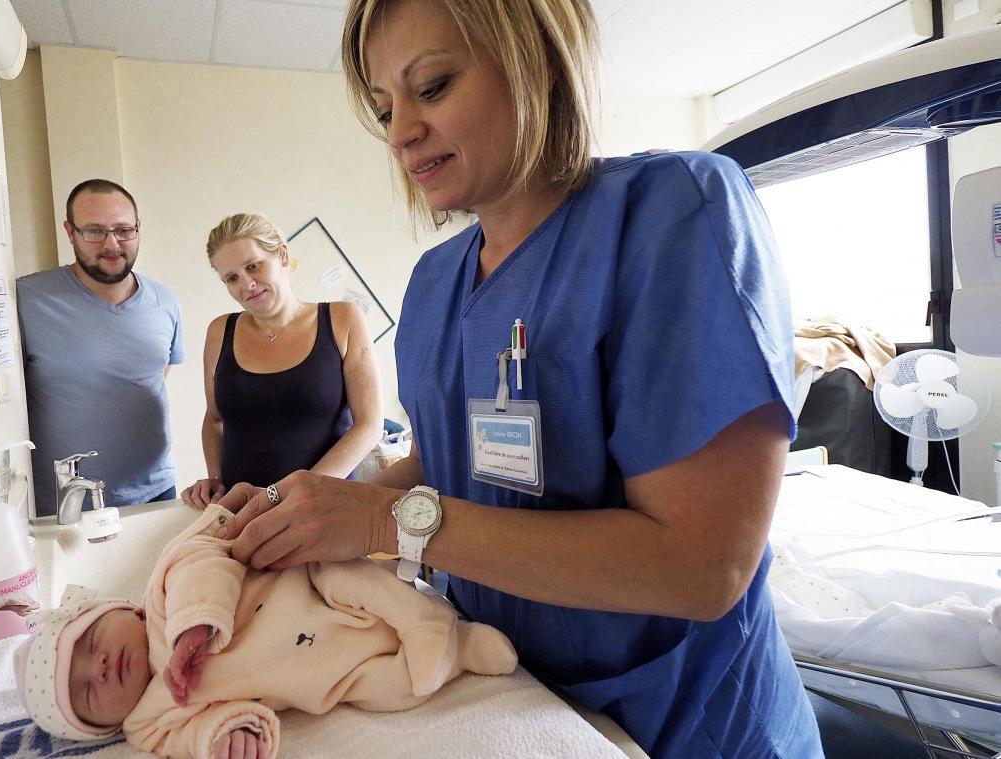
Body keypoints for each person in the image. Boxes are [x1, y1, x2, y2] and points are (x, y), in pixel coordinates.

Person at [211, 1, 824, 757]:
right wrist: (310, 509)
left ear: (533, 62)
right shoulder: (435, 283)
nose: (401, 131)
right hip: (511, 700)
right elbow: (449, 463)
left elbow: (704, 566)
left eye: (431, 87)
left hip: (683, 718)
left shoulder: (671, 215)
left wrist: (385, 525)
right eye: (383, 107)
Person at [12, 504, 517, 759]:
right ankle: (462, 652)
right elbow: (191, 737)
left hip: (316, 589)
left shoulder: (162, 595)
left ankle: (422, 619)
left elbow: (204, 555)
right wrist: (228, 735)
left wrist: (195, 623)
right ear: (99, 728)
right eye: (85, 692)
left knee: (346, 573)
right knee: (386, 690)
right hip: (330, 675)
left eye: (92, 643)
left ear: (119, 612)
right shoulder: (148, 723)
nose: (98, 668)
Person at [179, 214, 382, 509]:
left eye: (253, 266)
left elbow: (369, 425)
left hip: (322, 507)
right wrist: (216, 481)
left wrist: (298, 495)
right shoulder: (220, 331)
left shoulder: (343, 319)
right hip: (242, 513)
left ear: (282, 255)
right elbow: (214, 419)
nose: (246, 284)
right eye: (232, 278)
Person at [18, 179, 184, 513]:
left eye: (124, 230)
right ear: (70, 232)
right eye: (94, 231)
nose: (112, 244)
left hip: (156, 492)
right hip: (64, 504)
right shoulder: (26, 298)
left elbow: (153, 377)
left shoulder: (165, 301)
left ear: (138, 228)